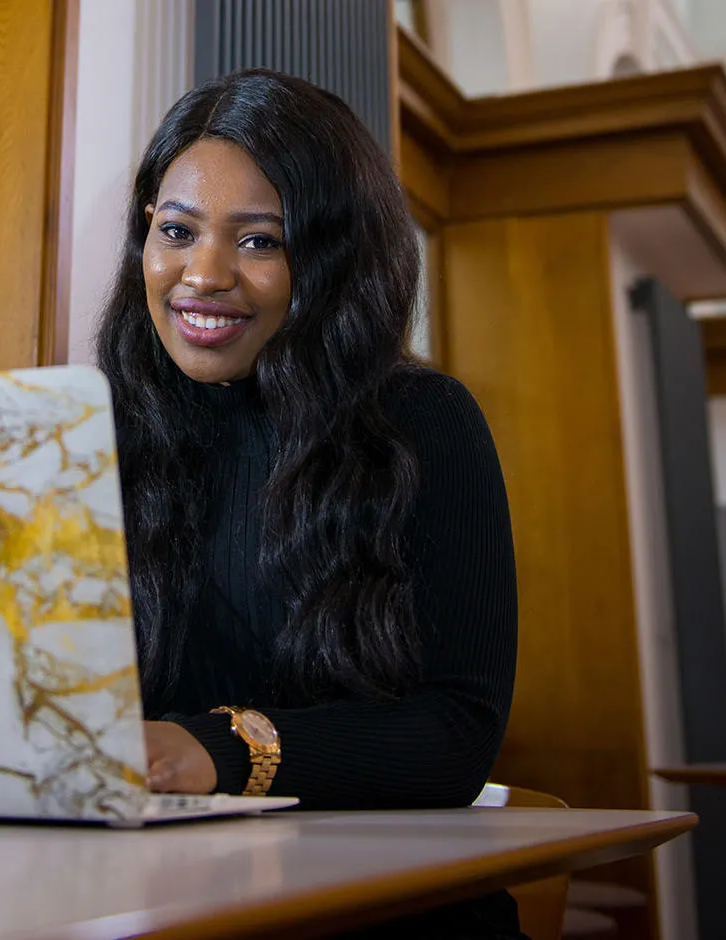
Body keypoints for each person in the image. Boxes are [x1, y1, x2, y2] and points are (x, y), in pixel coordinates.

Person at [95, 70, 523, 939]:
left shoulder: (422, 424)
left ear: (329, 260)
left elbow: (455, 733)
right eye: (176, 231)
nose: (201, 274)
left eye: (258, 242)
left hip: (390, 913)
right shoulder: (96, 433)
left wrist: (212, 750)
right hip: (166, 902)